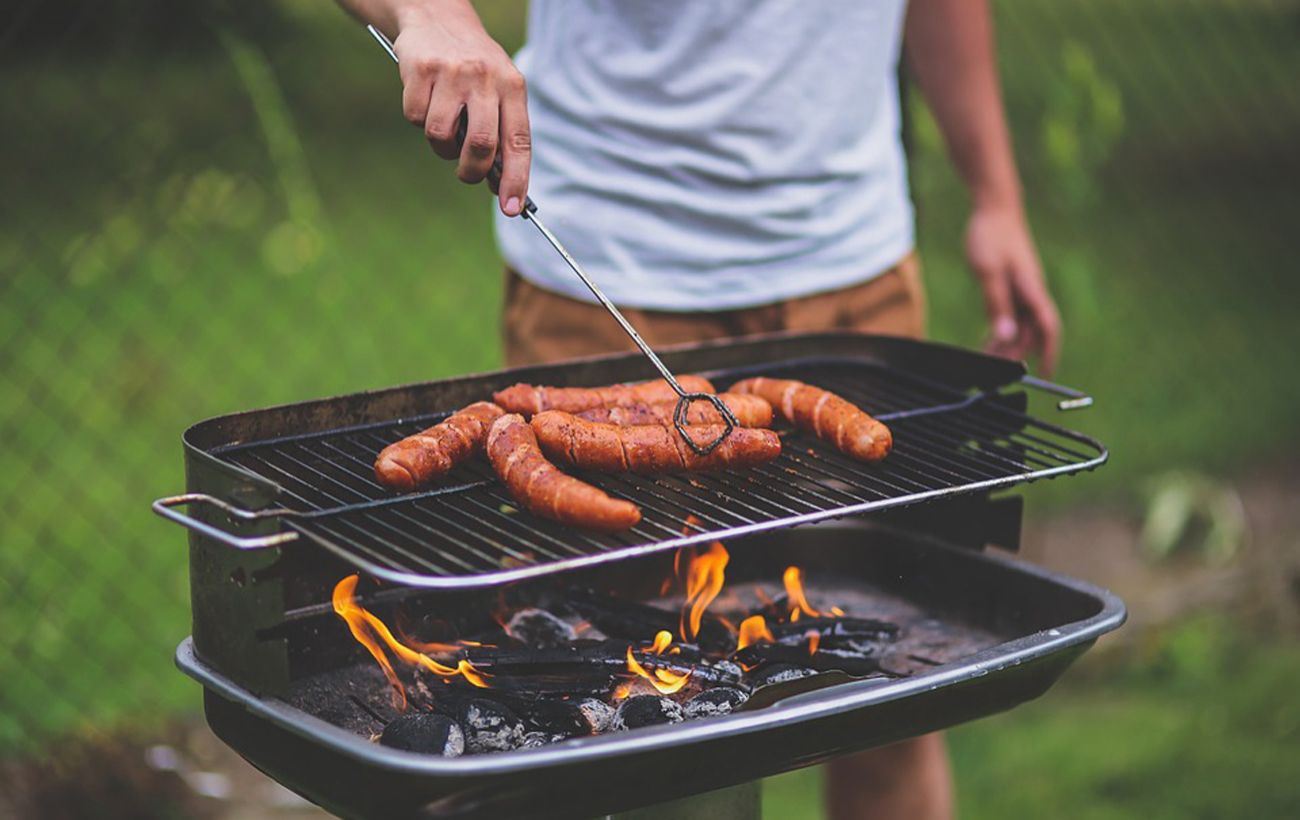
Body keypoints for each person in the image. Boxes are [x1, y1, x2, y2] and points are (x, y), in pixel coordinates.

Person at [340, 1, 1061, 817]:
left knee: (893, 697)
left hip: (852, 265)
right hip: (606, 268)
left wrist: (996, 196)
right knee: (625, 709)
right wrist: (430, 15)